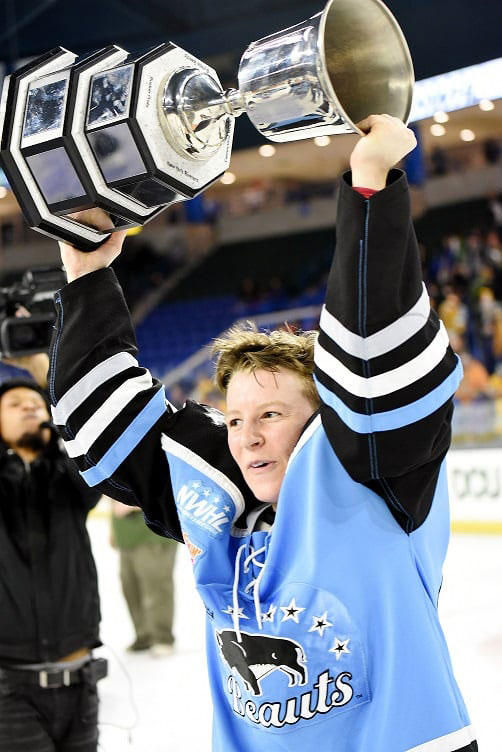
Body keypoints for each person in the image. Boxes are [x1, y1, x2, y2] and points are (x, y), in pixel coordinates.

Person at [48, 115, 476, 751]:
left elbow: (375, 370)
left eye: (271, 416)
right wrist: (85, 274)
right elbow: (104, 428)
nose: (245, 438)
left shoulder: (379, 483)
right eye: (236, 418)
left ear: (325, 421)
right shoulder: (218, 502)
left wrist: (370, 185)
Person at [0, 352, 106, 752]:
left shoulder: (69, 480)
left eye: (35, 404)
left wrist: (48, 378)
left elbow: (92, 444)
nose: (29, 407)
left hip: (80, 681)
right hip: (10, 691)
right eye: (14, 405)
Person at [109, 498, 177, 656]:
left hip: (152, 534)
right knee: (130, 588)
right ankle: (144, 635)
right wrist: (112, 530)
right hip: (125, 534)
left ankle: (162, 637)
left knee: (156, 586)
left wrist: (133, 503)